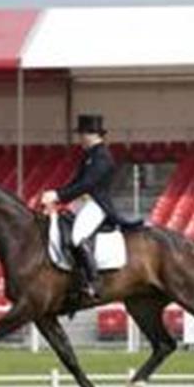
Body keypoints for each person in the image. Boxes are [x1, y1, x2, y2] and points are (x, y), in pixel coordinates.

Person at [41, 114, 132, 299]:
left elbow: (88, 184)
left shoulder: (102, 156)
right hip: (83, 202)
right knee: (59, 225)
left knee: (77, 236)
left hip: (96, 204)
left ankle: (93, 282)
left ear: (91, 134)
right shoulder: (89, 156)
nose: (79, 139)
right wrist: (56, 198)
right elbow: (76, 182)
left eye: (81, 135)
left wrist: (58, 195)